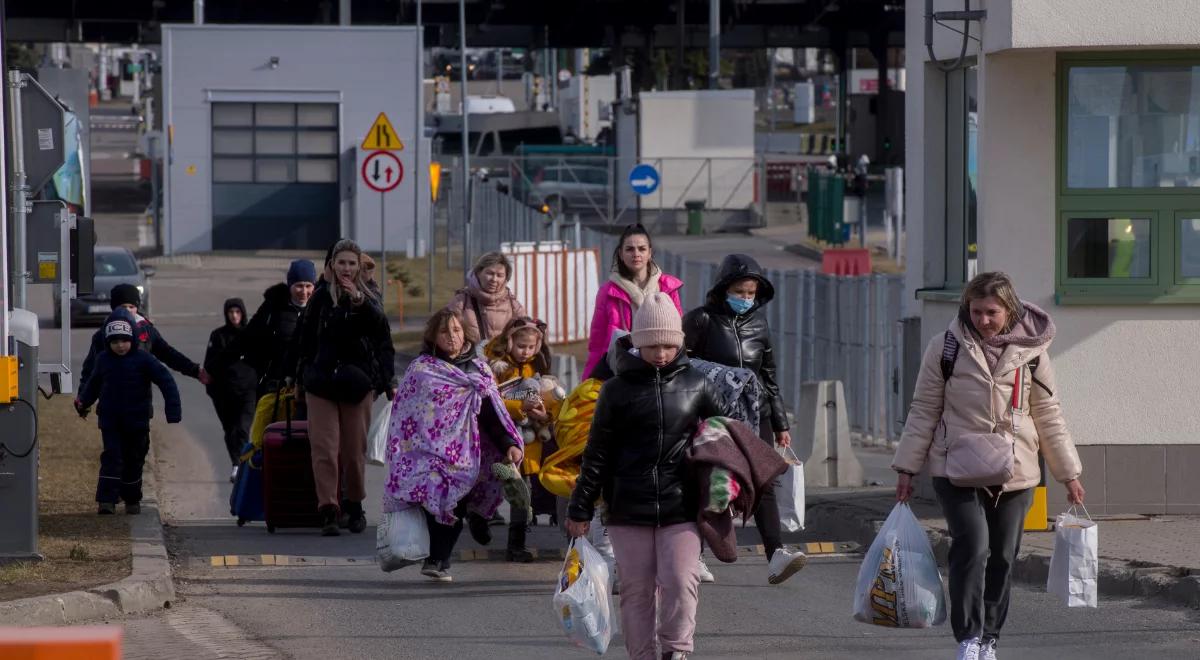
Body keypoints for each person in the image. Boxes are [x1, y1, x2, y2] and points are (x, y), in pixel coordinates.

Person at [892, 272, 1084, 660]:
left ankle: (990, 639)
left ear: (1009, 309)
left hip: (1016, 470)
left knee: (1003, 555)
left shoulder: (1032, 353)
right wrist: (906, 468)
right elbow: (924, 409)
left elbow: (1048, 413)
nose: (982, 320)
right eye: (976, 311)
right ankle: (968, 637)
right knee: (973, 547)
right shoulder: (945, 347)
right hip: (955, 465)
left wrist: (1069, 473)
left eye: (991, 312)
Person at [568, 292, 726, 660]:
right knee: (636, 589)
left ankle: (676, 650)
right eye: (652, 345)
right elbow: (597, 454)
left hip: (682, 504)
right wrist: (580, 507)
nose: (661, 353)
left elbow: (725, 436)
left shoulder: (699, 383)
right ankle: (641, 654)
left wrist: (724, 485)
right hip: (627, 505)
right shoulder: (615, 390)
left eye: (669, 345)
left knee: (680, 580)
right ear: (637, 343)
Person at [682, 254, 807, 585]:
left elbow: (768, 376)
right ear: (724, 288)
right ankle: (694, 555)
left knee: (764, 479)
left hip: (756, 413)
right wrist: (722, 379)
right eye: (739, 291)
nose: (745, 299)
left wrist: (780, 423)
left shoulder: (760, 325)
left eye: (751, 293)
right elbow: (682, 365)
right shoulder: (700, 321)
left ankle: (776, 554)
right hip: (713, 415)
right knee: (709, 481)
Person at [383, 309, 524, 582]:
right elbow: (406, 413)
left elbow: (492, 414)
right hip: (424, 451)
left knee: (455, 501)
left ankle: (439, 559)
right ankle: (433, 554)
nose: (452, 337)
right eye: (445, 331)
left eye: (457, 330)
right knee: (429, 500)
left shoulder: (479, 370)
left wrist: (508, 444)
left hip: (464, 455)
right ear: (434, 335)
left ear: (466, 334)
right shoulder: (422, 369)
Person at [295, 239, 396, 536]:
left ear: (359, 266)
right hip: (321, 383)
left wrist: (386, 381)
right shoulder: (320, 298)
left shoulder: (370, 298)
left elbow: (383, 341)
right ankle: (328, 508)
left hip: (357, 384)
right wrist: (299, 378)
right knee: (324, 448)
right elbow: (305, 341)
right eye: (342, 263)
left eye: (352, 263)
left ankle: (354, 505)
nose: (347, 269)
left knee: (353, 451)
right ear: (332, 266)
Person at [75, 309, 182, 515]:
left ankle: (132, 498)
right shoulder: (104, 360)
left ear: (132, 338)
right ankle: (107, 500)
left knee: (134, 458)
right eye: (115, 342)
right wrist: (83, 402)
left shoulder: (144, 360)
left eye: (124, 341)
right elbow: (93, 384)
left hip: (137, 420)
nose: (120, 346)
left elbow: (166, 381)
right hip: (110, 420)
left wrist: (173, 410)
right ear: (108, 343)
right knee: (112, 457)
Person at [483, 317, 565, 562]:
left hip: (530, 442)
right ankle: (477, 517)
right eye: (521, 346)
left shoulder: (537, 366)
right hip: (500, 437)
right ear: (509, 342)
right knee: (488, 486)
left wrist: (544, 413)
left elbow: (551, 400)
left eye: (531, 347)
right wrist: (520, 406)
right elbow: (491, 402)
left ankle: (516, 544)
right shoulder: (496, 367)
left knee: (522, 492)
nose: (526, 352)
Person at [583, 223, 683, 378]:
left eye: (642, 249)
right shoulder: (607, 292)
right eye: (629, 249)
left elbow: (678, 335)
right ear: (621, 254)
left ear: (650, 253)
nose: (636, 254)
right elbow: (597, 344)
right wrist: (588, 381)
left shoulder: (668, 288)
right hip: (622, 371)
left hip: (663, 368)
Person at [80, 283, 210, 389]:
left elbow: (168, 354)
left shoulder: (146, 331)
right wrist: (82, 398)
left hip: (140, 403)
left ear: (137, 307)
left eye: (131, 306)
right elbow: (90, 369)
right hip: (110, 403)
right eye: (123, 307)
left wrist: (195, 370)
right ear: (114, 308)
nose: (128, 311)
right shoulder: (102, 334)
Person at [204, 298, 258, 483]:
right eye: (231, 312)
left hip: (248, 391)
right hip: (224, 393)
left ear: (243, 313)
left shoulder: (252, 334)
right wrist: (212, 389)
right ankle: (236, 463)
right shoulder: (218, 336)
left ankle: (243, 465)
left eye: (237, 312)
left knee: (243, 428)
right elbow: (209, 364)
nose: (234, 316)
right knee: (230, 431)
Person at [243, 259, 315, 397]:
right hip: (276, 384)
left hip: (310, 386)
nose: (304, 291)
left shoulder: (320, 309)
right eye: (299, 285)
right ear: (290, 285)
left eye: (308, 286)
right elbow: (247, 338)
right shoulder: (274, 307)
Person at [444, 251, 527, 346]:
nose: (494, 279)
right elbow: (443, 332)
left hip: (501, 359)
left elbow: (525, 335)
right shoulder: (461, 301)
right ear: (478, 273)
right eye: (490, 273)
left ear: (505, 279)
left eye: (500, 275)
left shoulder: (514, 305)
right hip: (469, 359)